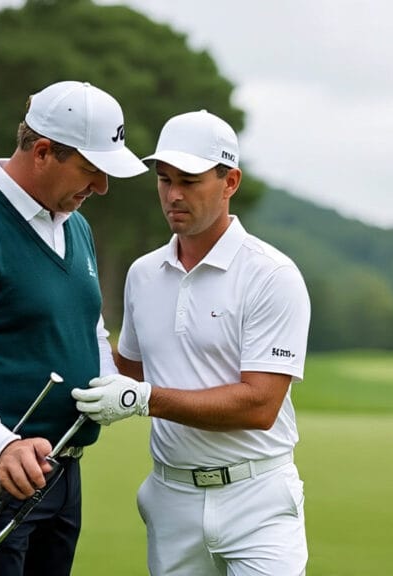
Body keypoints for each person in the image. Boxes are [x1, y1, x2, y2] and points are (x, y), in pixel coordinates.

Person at [0, 80, 147, 574]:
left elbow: (87, 327)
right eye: (91, 170)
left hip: (58, 473)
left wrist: (111, 383)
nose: (100, 187)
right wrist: (2, 444)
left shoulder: (73, 222)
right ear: (42, 152)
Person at [72, 110, 311, 575]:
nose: (173, 195)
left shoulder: (271, 275)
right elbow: (130, 372)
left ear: (230, 182)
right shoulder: (143, 274)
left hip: (257, 497)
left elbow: (260, 404)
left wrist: (146, 400)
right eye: (164, 180)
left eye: (190, 180)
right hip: (171, 498)